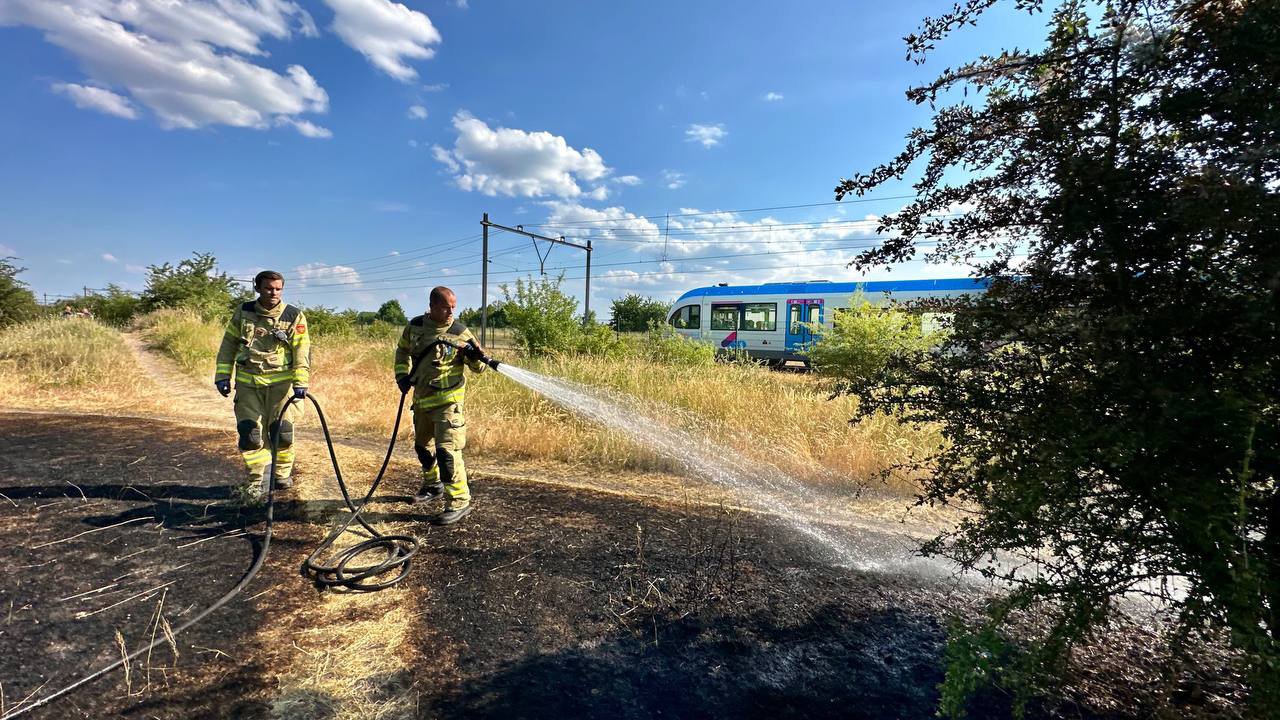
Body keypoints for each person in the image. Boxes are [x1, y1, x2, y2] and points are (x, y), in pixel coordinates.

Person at [394, 286, 492, 525]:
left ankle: (459, 501)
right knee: (422, 448)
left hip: (449, 402)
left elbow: (479, 368)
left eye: (454, 307)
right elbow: (402, 351)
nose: (451, 312)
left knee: (447, 453)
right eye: (446, 307)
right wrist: (401, 377)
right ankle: (432, 485)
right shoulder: (415, 326)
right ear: (432, 306)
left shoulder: (460, 331)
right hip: (422, 400)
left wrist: (475, 355)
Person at [213, 270, 310, 503]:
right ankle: (256, 481)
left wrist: (301, 382)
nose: (274, 293)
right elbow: (229, 344)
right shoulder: (244, 312)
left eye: (278, 288)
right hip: (248, 385)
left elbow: (301, 350)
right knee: (250, 434)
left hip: (282, 386)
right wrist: (222, 375)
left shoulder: (293, 315)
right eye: (268, 288)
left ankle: (282, 475)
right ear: (257, 288)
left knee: (282, 433)